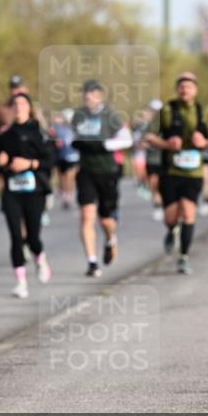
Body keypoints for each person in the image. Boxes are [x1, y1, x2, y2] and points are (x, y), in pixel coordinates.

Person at [143, 72, 208, 275]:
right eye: (181, 86)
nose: (184, 90)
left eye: (189, 86)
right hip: (170, 170)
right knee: (170, 217)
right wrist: (166, 144)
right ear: (177, 89)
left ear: (195, 90)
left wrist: (204, 143)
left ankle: (184, 256)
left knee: (188, 213)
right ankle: (171, 230)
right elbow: (149, 136)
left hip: (193, 172)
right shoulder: (167, 110)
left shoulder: (203, 112)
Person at [70, 80, 133, 278]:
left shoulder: (111, 115)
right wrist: (77, 144)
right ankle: (92, 262)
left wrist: (104, 145)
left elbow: (127, 139)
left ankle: (110, 239)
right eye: (85, 94)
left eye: (92, 94)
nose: (88, 98)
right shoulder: (78, 116)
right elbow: (73, 137)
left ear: (100, 95)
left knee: (106, 219)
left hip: (107, 171)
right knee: (87, 216)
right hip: (86, 171)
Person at [0, 92, 53, 297]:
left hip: (34, 190)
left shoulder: (39, 132)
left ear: (29, 108)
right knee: (15, 236)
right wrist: (0, 161)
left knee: (33, 237)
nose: (19, 107)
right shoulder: (5, 135)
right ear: (11, 109)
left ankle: (40, 257)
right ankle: (21, 282)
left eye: (22, 103)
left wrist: (29, 164)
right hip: (12, 190)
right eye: (15, 104)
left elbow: (50, 161)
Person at [53, 109, 80, 210]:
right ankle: (64, 193)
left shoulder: (75, 128)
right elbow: (53, 136)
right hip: (61, 156)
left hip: (73, 156)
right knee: (63, 177)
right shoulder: (59, 128)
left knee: (70, 176)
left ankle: (69, 195)